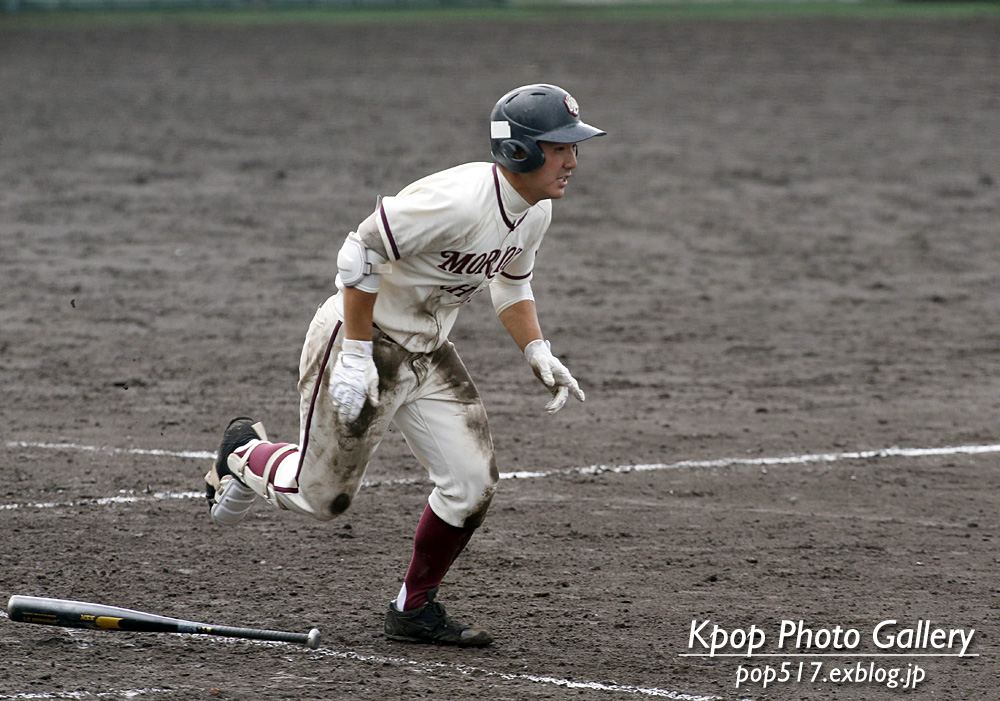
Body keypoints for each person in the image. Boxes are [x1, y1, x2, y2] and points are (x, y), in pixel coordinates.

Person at [203, 83, 605, 646]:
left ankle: (412, 610)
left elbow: (513, 279)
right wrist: (357, 354)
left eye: (573, 147)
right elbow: (358, 252)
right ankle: (243, 451)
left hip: (428, 349)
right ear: (520, 152)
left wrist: (536, 349)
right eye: (559, 147)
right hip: (360, 338)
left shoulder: (533, 212)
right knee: (322, 500)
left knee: (471, 485)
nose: (572, 160)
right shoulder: (460, 200)